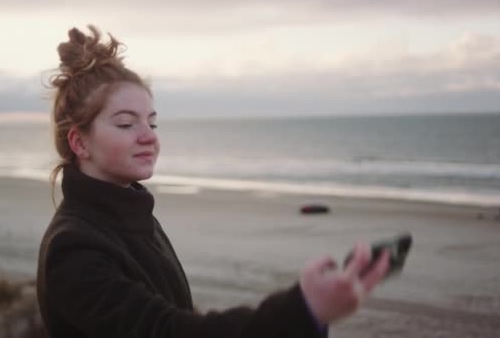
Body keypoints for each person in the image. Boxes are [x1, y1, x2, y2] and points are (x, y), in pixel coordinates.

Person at [36, 25, 390, 338]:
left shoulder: (133, 215)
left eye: (152, 123)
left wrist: (311, 313)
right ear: (80, 142)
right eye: (127, 123)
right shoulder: (73, 249)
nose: (149, 137)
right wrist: (303, 311)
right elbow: (168, 331)